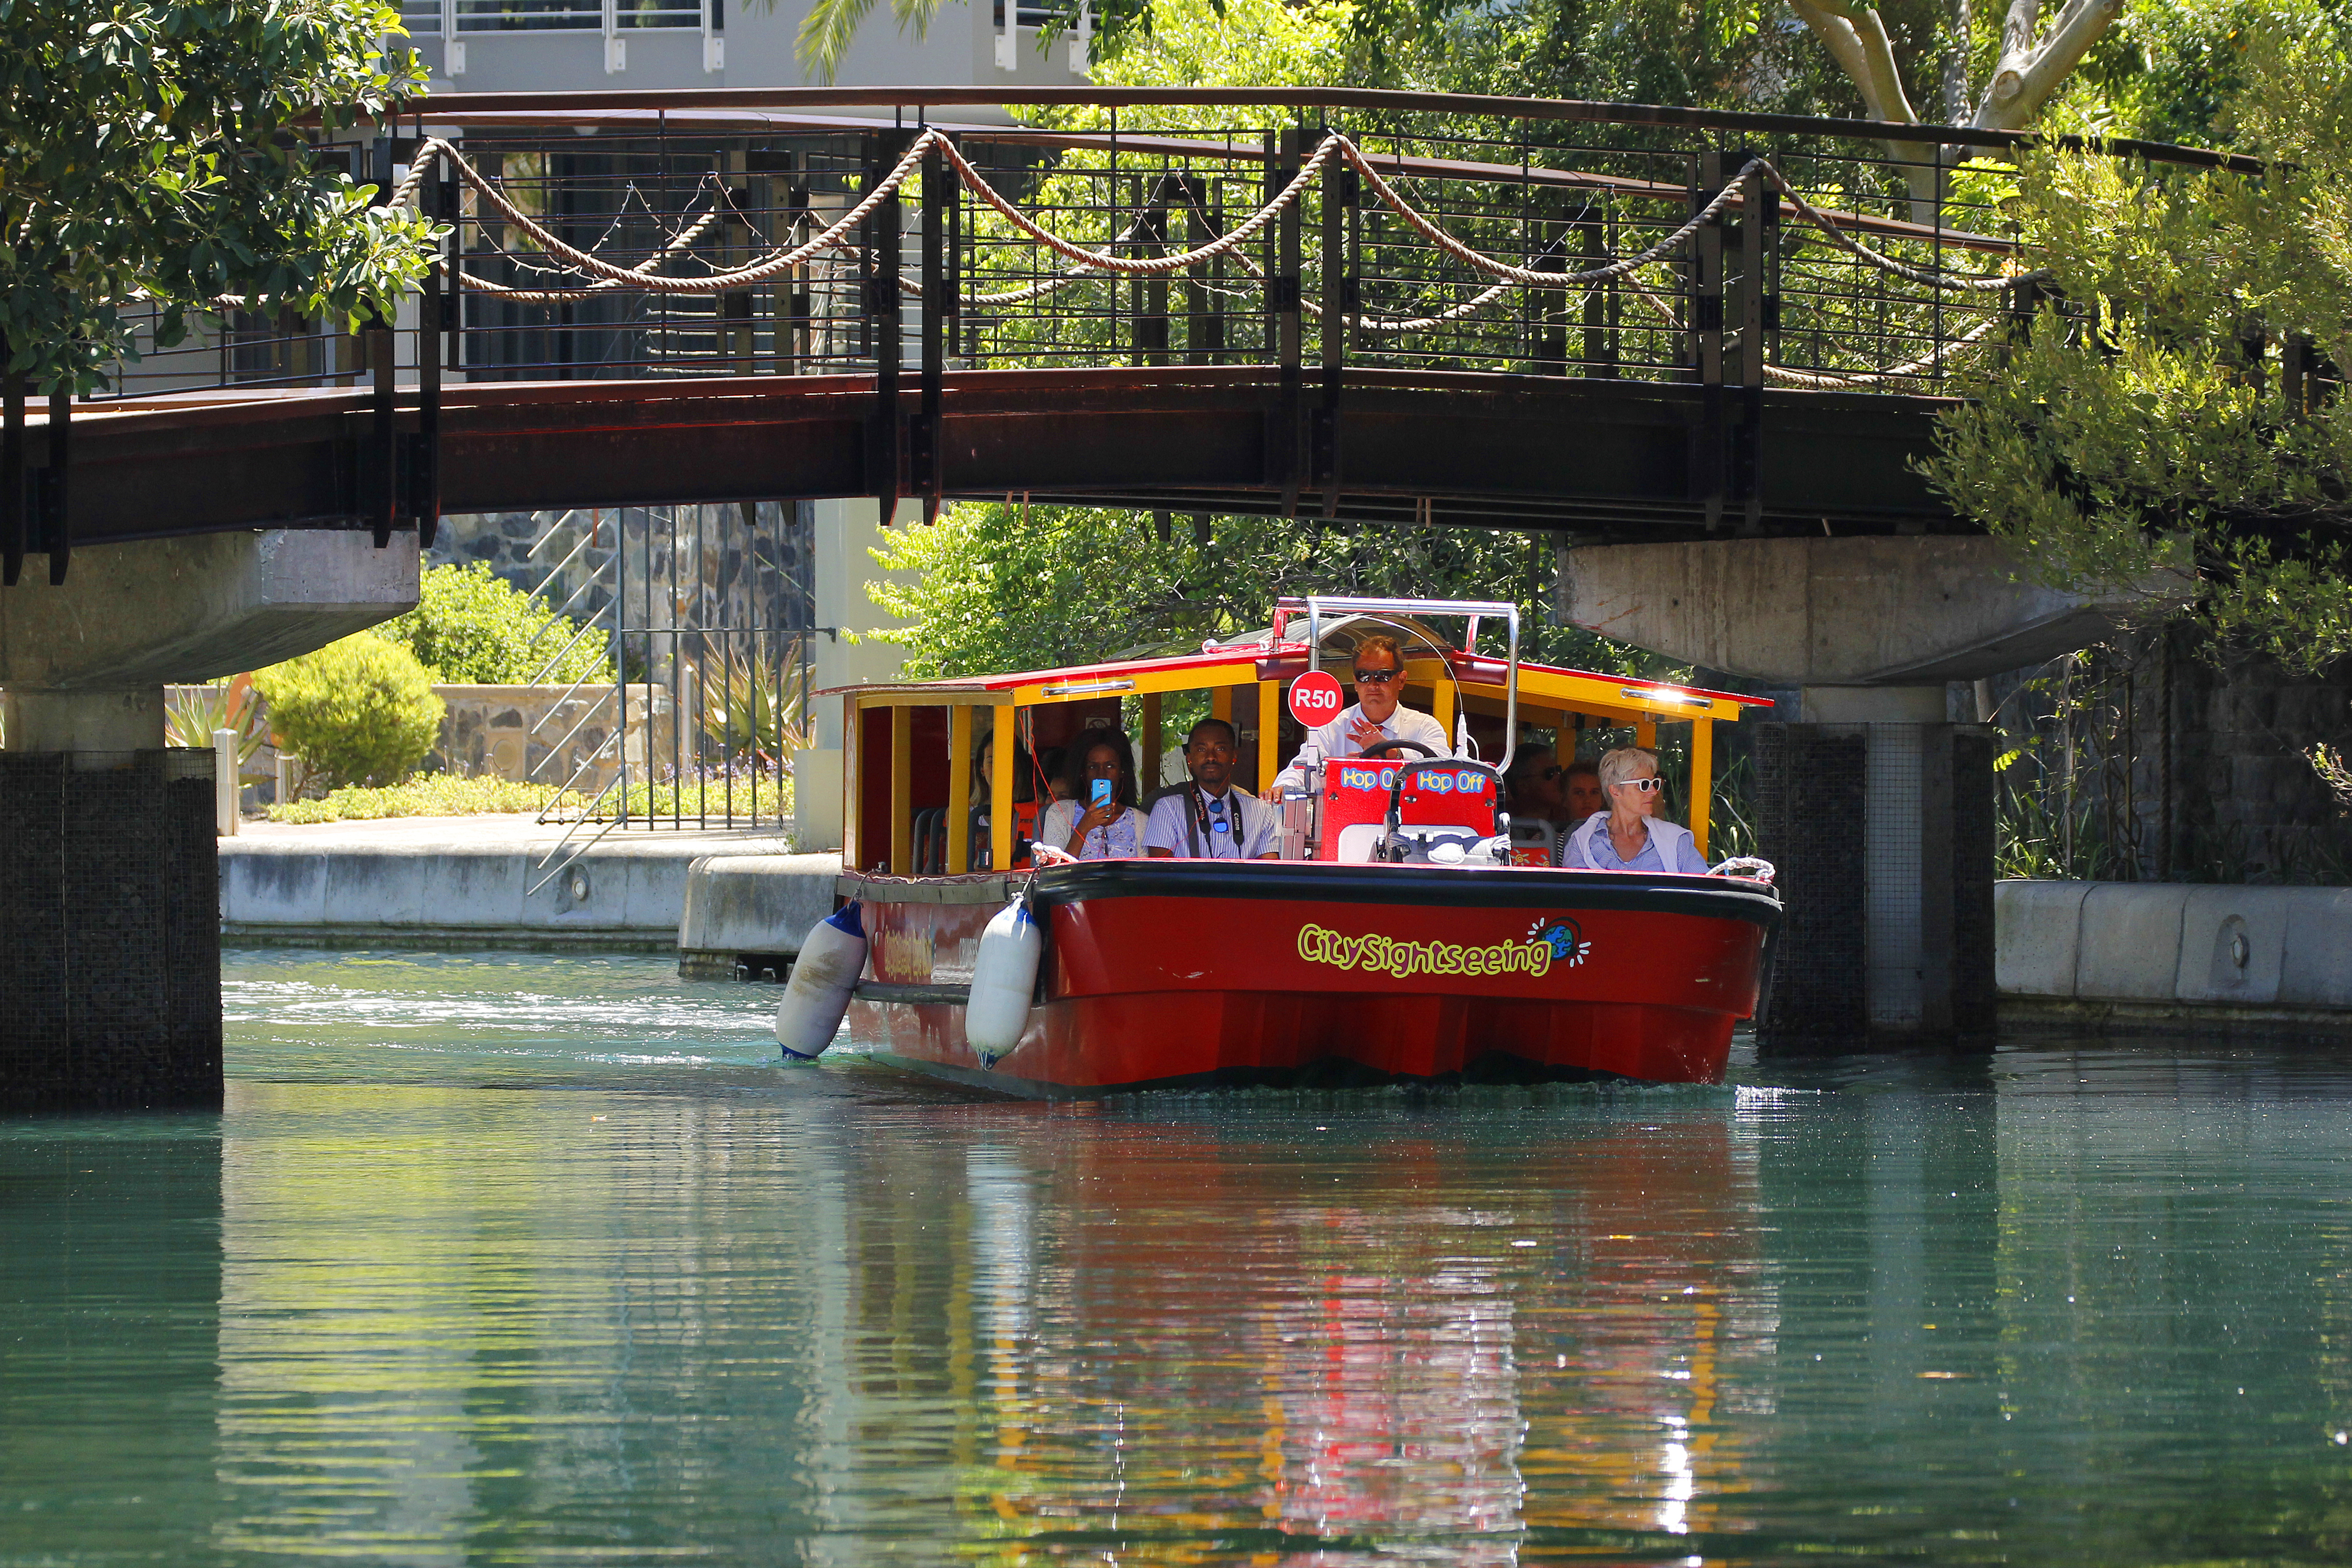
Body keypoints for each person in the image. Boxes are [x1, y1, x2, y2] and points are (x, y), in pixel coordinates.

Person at [1270, 634, 1450, 799]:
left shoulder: (1426, 726)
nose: (1372, 685)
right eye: (1363, 676)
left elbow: (1446, 772)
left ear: (1401, 680)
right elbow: (1303, 769)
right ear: (1355, 682)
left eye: (1383, 676)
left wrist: (1392, 753)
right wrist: (1284, 787)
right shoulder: (1331, 727)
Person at [1559, 745, 1710, 874]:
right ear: (1615, 791)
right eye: (1644, 784)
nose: (1653, 791)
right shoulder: (1582, 841)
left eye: (1655, 783)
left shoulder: (1676, 840)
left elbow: (1702, 892)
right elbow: (1575, 901)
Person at [1145, 718, 1280, 860]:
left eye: (1220, 749)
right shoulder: (1168, 809)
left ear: (1234, 755)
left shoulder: (1261, 810)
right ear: (1189, 758)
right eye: (1202, 749)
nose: (1211, 757)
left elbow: (1269, 871)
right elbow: (1159, 873)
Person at [1036, 727, 1148, 859]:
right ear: (1083, 772)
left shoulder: (1141, 822)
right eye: (1093, 767)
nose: (1102, 774)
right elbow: (1055, 874)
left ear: (1122, 770)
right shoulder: (1060, 813)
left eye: (1110, 766)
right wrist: (1083, 828)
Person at [1504, 744, 1566, 823]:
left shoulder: (1569, 812)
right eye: (1550, 773)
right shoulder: (1502, 819)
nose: (1558, 777)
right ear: (1523, 786)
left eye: (1558, 770)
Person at [1561, 757, 1605, 823]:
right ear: (1564, 799)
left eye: (1594, 793)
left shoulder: (1615, 833)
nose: (1587, 801)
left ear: (1602, 800)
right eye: (1579, 793)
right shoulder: (1549, 832)